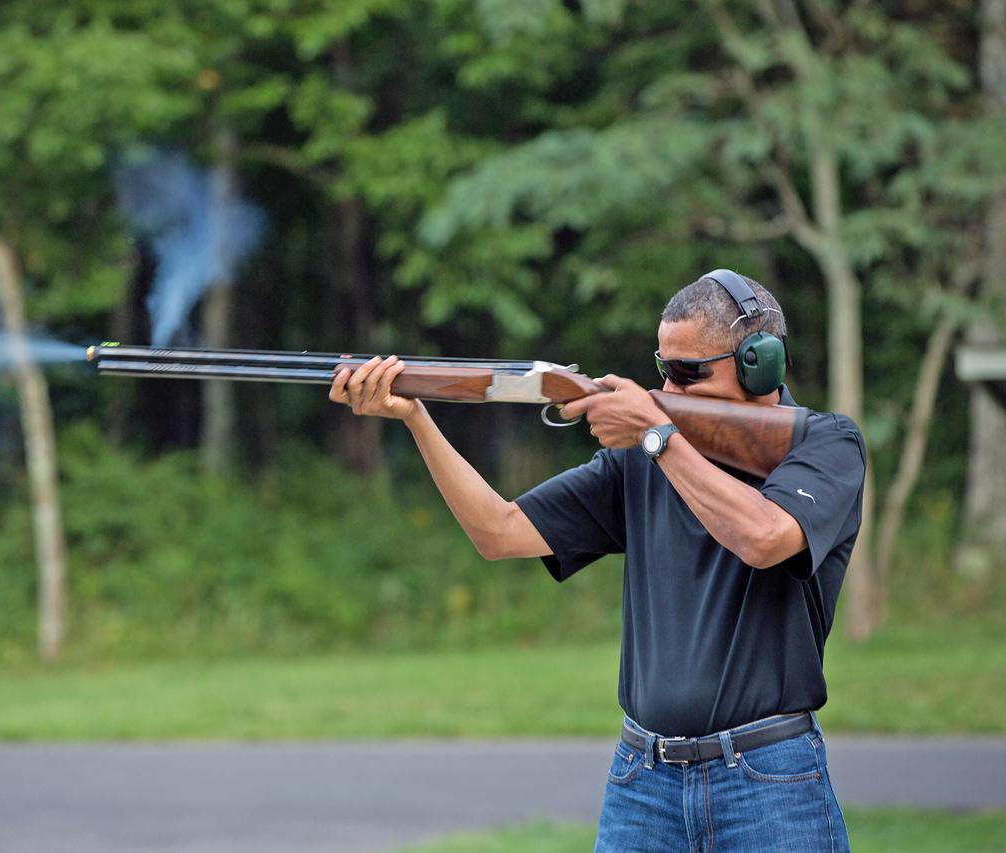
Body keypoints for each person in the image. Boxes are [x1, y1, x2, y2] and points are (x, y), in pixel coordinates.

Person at [330, 270, 864, 852]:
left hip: (768, 780)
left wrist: (658, 436)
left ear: (761, 362)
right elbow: (498, 532)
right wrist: (416, 417)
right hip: (645, 781)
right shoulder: (642, 458)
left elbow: (763, 538)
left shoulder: (824, 444)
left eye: (689, 372)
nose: (669, 385)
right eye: (664, 368)